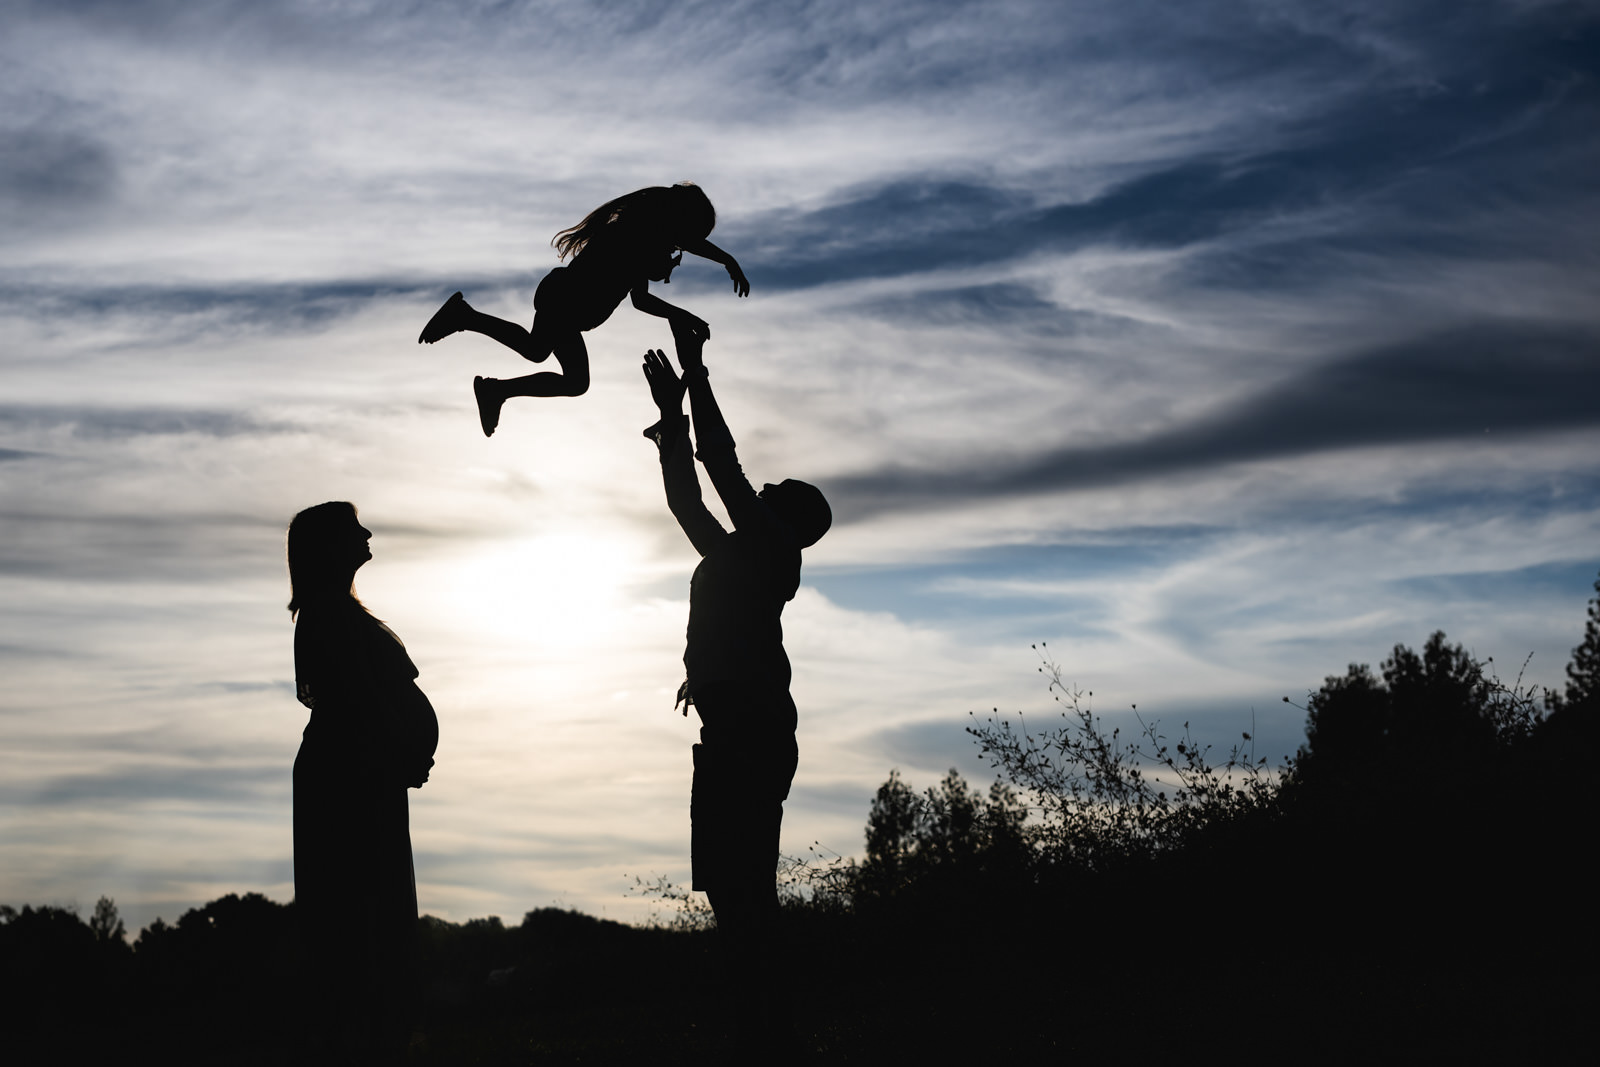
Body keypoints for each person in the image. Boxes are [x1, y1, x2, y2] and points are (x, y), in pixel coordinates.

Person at [641, 325, 831, 1047]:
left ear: (792, 520)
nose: (764, 489)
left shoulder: (774, 548)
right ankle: (759, 1018)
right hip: (731, 726)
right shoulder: (737, 552)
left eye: (774, 492)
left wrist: (695, 372)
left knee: (744, 882)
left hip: (750, 726)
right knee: (730, 881)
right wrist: (672, 424)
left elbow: (721, 467)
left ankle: (769, 1023)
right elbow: (690, 504)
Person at [286, 501, 438, 1061]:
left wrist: (405, 748)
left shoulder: (342, 611)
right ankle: (365, 1038)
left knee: (376, 901)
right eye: (354, 529)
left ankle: (378, 1035)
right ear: (329, 545)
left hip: (365, 770)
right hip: (349, 774)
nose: (368, 533)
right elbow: (355, 699)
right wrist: (398, 747)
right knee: (359, 907)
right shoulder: (326, 614)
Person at [419, 181, 750, 437]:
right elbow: (649, 285)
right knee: (537, 352)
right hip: (563, 300)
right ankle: (468, 325)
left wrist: (708, 284)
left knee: (570, 379)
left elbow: (648, 290)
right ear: (675, 223)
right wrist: (721, 267)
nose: (677, 253)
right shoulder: (633, 237)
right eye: (678, 245)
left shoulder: (641, 241)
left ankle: (495, 386)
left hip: (567, 308)